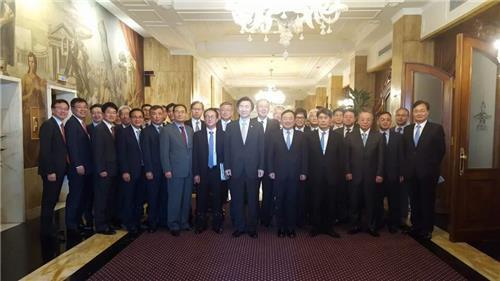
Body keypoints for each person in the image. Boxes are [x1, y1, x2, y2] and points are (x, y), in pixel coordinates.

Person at [403, 100, 445, 240]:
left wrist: (431, 168)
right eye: (416, 111)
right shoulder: (408, 129)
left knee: (427, 201)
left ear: (427, 112)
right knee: (414, 201)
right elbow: (405, 152)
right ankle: (416, 227)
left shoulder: (436, 128)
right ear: (413, 113)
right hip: (411, 173)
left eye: (422, 110)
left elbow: (440, 151)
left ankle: (427, 229)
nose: (419, 113)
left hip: (428, 173)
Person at [224, 97, 265, 238]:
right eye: (241, 106)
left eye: (247, 106)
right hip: (235, 169)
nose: (244, 109)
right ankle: (240, 226)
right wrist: (227, 166)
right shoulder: (231, 126)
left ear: (251, 109)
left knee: (253, 200)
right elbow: (226, 149)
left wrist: (261, 166)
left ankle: (252, 227)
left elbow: (262, 148)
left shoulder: (258, 126)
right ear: (237, 108)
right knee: (237, 199)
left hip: (253, 169)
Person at [268, 110, 308, 238]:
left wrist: (303, 171)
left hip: (295, 175)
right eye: (285, 118)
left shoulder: (301, 136)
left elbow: (304, 155)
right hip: (278, 174)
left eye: (290, 118)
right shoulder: (274, 135)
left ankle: (291, 228)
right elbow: (269, 155)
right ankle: (280, 227)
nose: (288, 120)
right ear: (281, 120)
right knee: (279, 202)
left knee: (292, 202)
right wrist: (271, 170)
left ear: (294, 120)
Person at [345, 111, 384, 237]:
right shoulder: (350, 136)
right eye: (363, 119)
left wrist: (379, 173)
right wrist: (348, 171)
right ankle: (354, 225)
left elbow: (381, 158)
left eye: (368, 120)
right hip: (354, 175)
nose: (365, 122)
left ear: (372, 122)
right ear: (358, 120)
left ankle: (371, 226)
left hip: (372, 176)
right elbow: (346, 157)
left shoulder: (378, 136)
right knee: (354, 202)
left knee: (370, 202)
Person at [307, 108, 344, 238]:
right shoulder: (309, 136)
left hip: (332, 176)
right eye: (320, 118)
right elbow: (306, 157)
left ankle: (329, 227)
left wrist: (340, 175)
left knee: (331, 202)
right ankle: (316, 227)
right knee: (315, 201)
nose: (323, 120)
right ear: (317, 120)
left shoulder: (338, 137)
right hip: (314, 175)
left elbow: (341, 158)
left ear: (330, 120)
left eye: (325, 118)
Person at [160, 104, 194, 237]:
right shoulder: (166, 130)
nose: (180, 114)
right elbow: (164, 152)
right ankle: (173, 224)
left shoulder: (189, 130)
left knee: (186, 199)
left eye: (182, 112)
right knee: (175, 199)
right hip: (174, 171)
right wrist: (167, 169)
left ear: (186, 114)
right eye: (177, 112)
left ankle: (184, 222)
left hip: (189, 171)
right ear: (173, 114)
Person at [38, 99, 69, 238]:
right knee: (49, 201)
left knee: (53, 200)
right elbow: (45, 150)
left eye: (65, 109)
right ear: (53, 109)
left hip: (60, 170)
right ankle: (46, 231)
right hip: (52, 172)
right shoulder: (48, 125)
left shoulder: (62, 126)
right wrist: (50, 171)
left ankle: (51, 229)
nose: (63, 111)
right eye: (59, 108)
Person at [193, 108, 225, 234]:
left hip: (218, 171)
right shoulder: (197, 135)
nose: (209, 118)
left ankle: (217, 224)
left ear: (217, 119)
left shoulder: (224, 135)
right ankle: (201, 224)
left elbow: (227, 154)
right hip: (202, 171)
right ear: (204, 119)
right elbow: (194, 156)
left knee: (218, 198)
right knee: (201, 198)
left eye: (212, 116)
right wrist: (196, 173)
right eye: (207, 116)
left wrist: (226, 171)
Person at [64, 98, 92, 236]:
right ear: (73, 109)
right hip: (77, 169)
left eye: (84, 107)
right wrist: (78, 164)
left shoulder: (82, 123)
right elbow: (72, 146)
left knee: (82, 196)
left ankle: (78, 222)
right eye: (79, 107)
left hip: (86, 168)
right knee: (75, 196)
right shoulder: (71, 124)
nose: (82, 109)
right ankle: (71, 224)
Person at [252, 99, 280, 227]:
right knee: (253, 192)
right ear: (256, 108)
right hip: (253, 164)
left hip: (270, 163)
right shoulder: (250, 122)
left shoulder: (275, 123)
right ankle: (254, 216)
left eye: (266, 107)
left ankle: (266, 218)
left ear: (269, 109)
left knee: (268, 192)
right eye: (261, 106)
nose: (263, 109)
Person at [92, 102, 119, 235]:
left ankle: (108, 222)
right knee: (101, 199)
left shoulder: (114, 128)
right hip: (104, 171)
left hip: (114, 170)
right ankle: (101, 225)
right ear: (103, 114)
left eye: (114, 113)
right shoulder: (99, 129)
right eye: (109, 112)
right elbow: (97, 151)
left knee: (110, 198)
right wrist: (101, 169)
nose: (112, 115)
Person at [117, 108, 145, 234]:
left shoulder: (144, 132)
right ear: (130, 118)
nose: (137, 119)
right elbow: (121, 154)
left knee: (139, 198)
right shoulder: (123, 132)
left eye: (140, 117)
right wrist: (125, 171)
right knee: (129, 198)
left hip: (143, 171)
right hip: (130, 172)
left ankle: (137, 221)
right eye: (134, 117)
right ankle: (128, 223)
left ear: (143, 119)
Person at [377, 111, 404, 233]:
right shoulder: (373, 136)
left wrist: (402, 173)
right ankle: (378, 223)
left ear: (391, 121)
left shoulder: (398, 137)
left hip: (394, 175)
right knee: (377, 201)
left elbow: (402, 157)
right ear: (378, 121)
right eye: (382, 119)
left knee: (394, 202)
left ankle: (394, 225)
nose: (385, 121)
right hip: (376, 175)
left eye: (388, 119)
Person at [141, 105, 166, 232]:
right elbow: (145, 153)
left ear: (163, 115)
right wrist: (148, 170)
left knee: (164, 196)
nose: (157, 116)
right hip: (153, 171)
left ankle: (163, 221)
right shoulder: (146, 131)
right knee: (153, 197)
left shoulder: (167, 129)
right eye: (154, 114)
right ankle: (152, 223)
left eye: (159, 113)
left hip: (166, 170)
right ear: (150, 116)